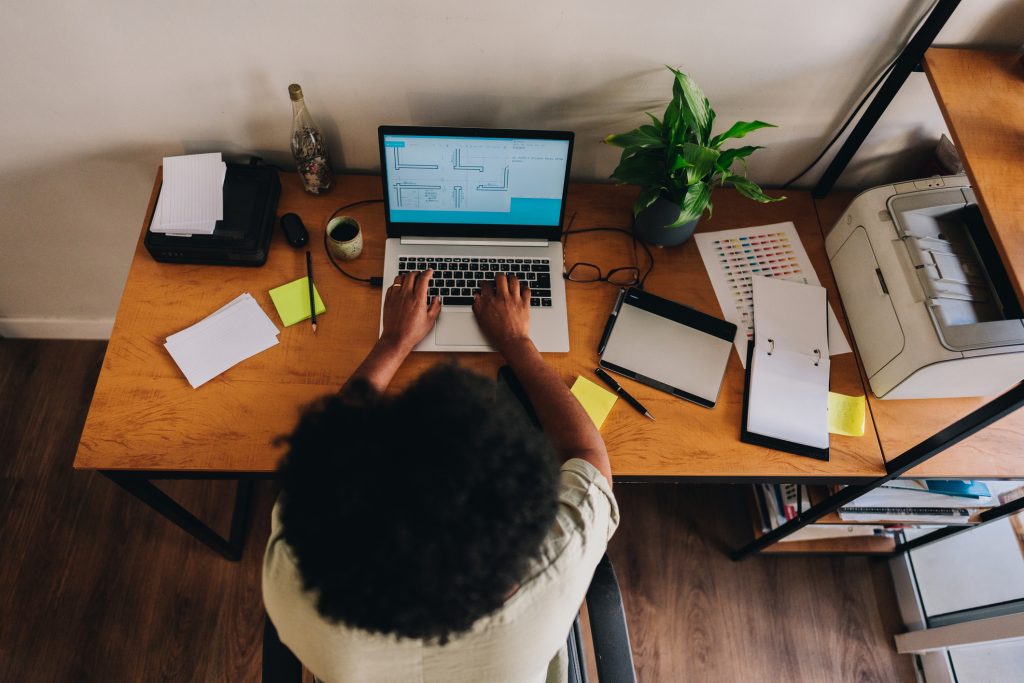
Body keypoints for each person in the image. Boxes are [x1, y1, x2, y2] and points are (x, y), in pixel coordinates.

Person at [263, 271, 618, 683]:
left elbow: (325, 454)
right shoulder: (554, 563)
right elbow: (586, 456)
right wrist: (519, 343)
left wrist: (394, 341)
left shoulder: (296, 568)